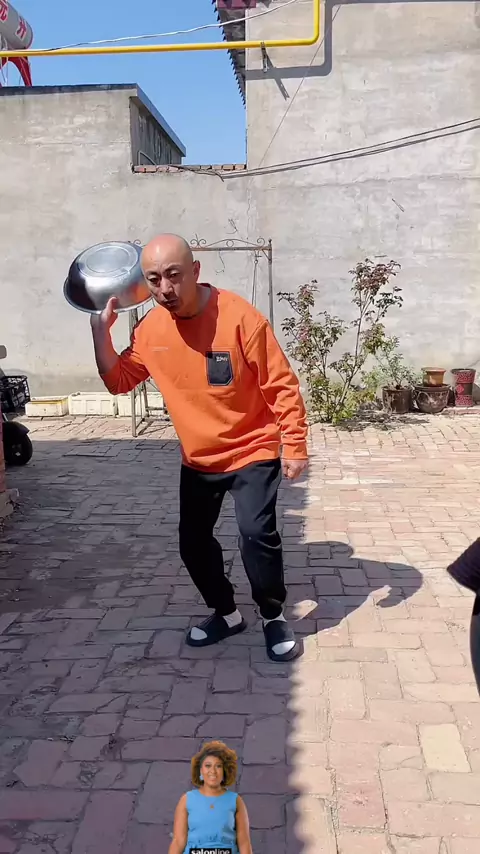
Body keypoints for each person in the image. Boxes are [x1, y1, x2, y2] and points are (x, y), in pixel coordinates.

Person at [90, 233, 308, 662]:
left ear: (195, 271)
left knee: (255, 534)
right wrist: (101, 334)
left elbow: (280, 384)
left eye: (174, 275)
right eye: (154, 279)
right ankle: (227, 614)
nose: (165, 288)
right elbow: (119, 381)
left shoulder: (240, 318)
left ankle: (272, 614)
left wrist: (295, 444)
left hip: (252, 448)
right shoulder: (151, 330)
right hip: (199, 459)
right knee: (192, 542)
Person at [168, 740, 252, 854]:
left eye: (218, 766)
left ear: (224, 771)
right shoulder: (187, 800)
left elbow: (244, 843)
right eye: (208, 766)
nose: (213, 771)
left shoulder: (235, 801)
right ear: (200, 771)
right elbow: (178, 841)